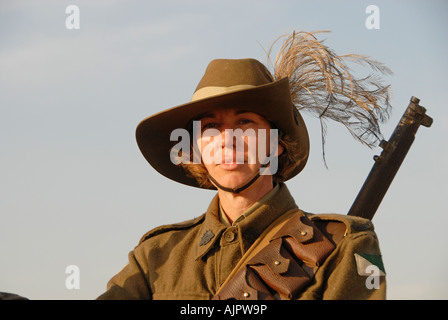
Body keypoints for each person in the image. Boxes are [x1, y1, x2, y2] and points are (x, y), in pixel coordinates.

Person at [97, 31, 390, 300]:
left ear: (276, 143)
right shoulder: (156, 256)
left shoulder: (341, 245)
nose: (227, 140)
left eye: (244, 122)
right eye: (211, 127)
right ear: (197, 149)